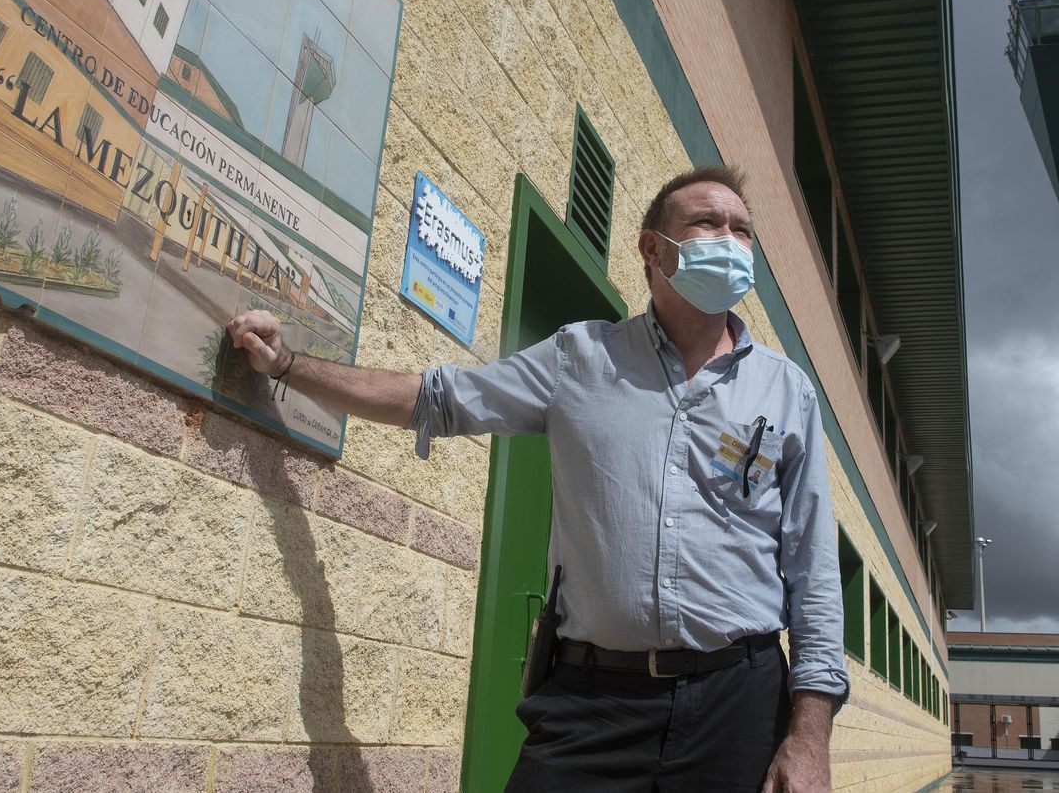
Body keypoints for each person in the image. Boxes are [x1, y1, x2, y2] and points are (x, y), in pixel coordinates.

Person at [227, 165, 847, 791]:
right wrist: (287, 364)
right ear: (653, 247)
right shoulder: (580, 357)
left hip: (737, 704)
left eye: (742, 230)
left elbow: (813, 573)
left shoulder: (786, 390)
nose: (729, 239)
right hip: (595, 703)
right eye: (707, 223)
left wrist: (810, 738)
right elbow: (435, 398)